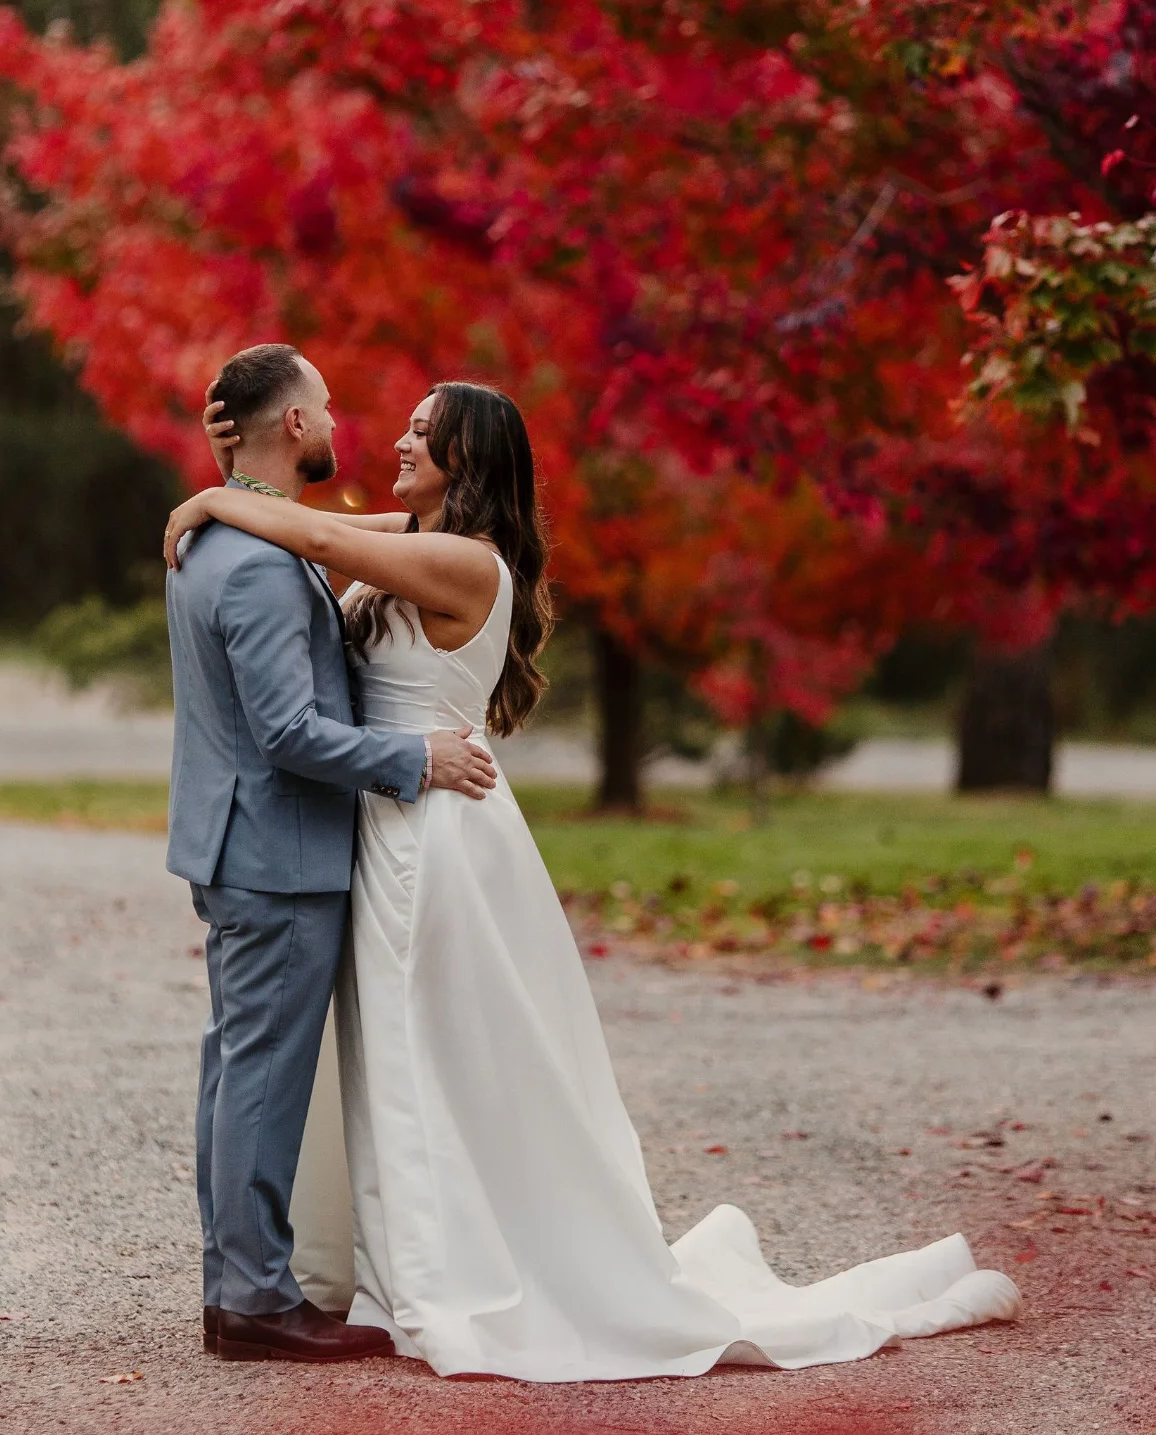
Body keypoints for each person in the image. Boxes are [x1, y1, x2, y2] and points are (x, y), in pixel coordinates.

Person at [164, 369, 1022, 1380]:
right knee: (399, 1052)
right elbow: (344, 527)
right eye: (395, 425)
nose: (393, 441)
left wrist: (216, 497)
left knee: (431, 1049)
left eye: (420, 433)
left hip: (436, 831)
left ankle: (446, 1264)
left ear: (466, 464)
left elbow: (317, 536)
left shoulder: (463, 563)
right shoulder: (416, 538)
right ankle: (387, 1261)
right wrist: (238, 484)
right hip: (388, 821)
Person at [164, 343, 497, 1365]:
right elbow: (289, 735)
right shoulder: (263, 567)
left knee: (236, 1069)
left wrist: (214, 493)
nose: (348, 423)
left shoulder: (229, 544)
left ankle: (238, 1285)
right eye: (329, 408)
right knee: (258, 1074)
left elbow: (347, 532)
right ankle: (254, 1299)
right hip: (278, 851)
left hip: (240, 845)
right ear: (297, 426)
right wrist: (417, 758)